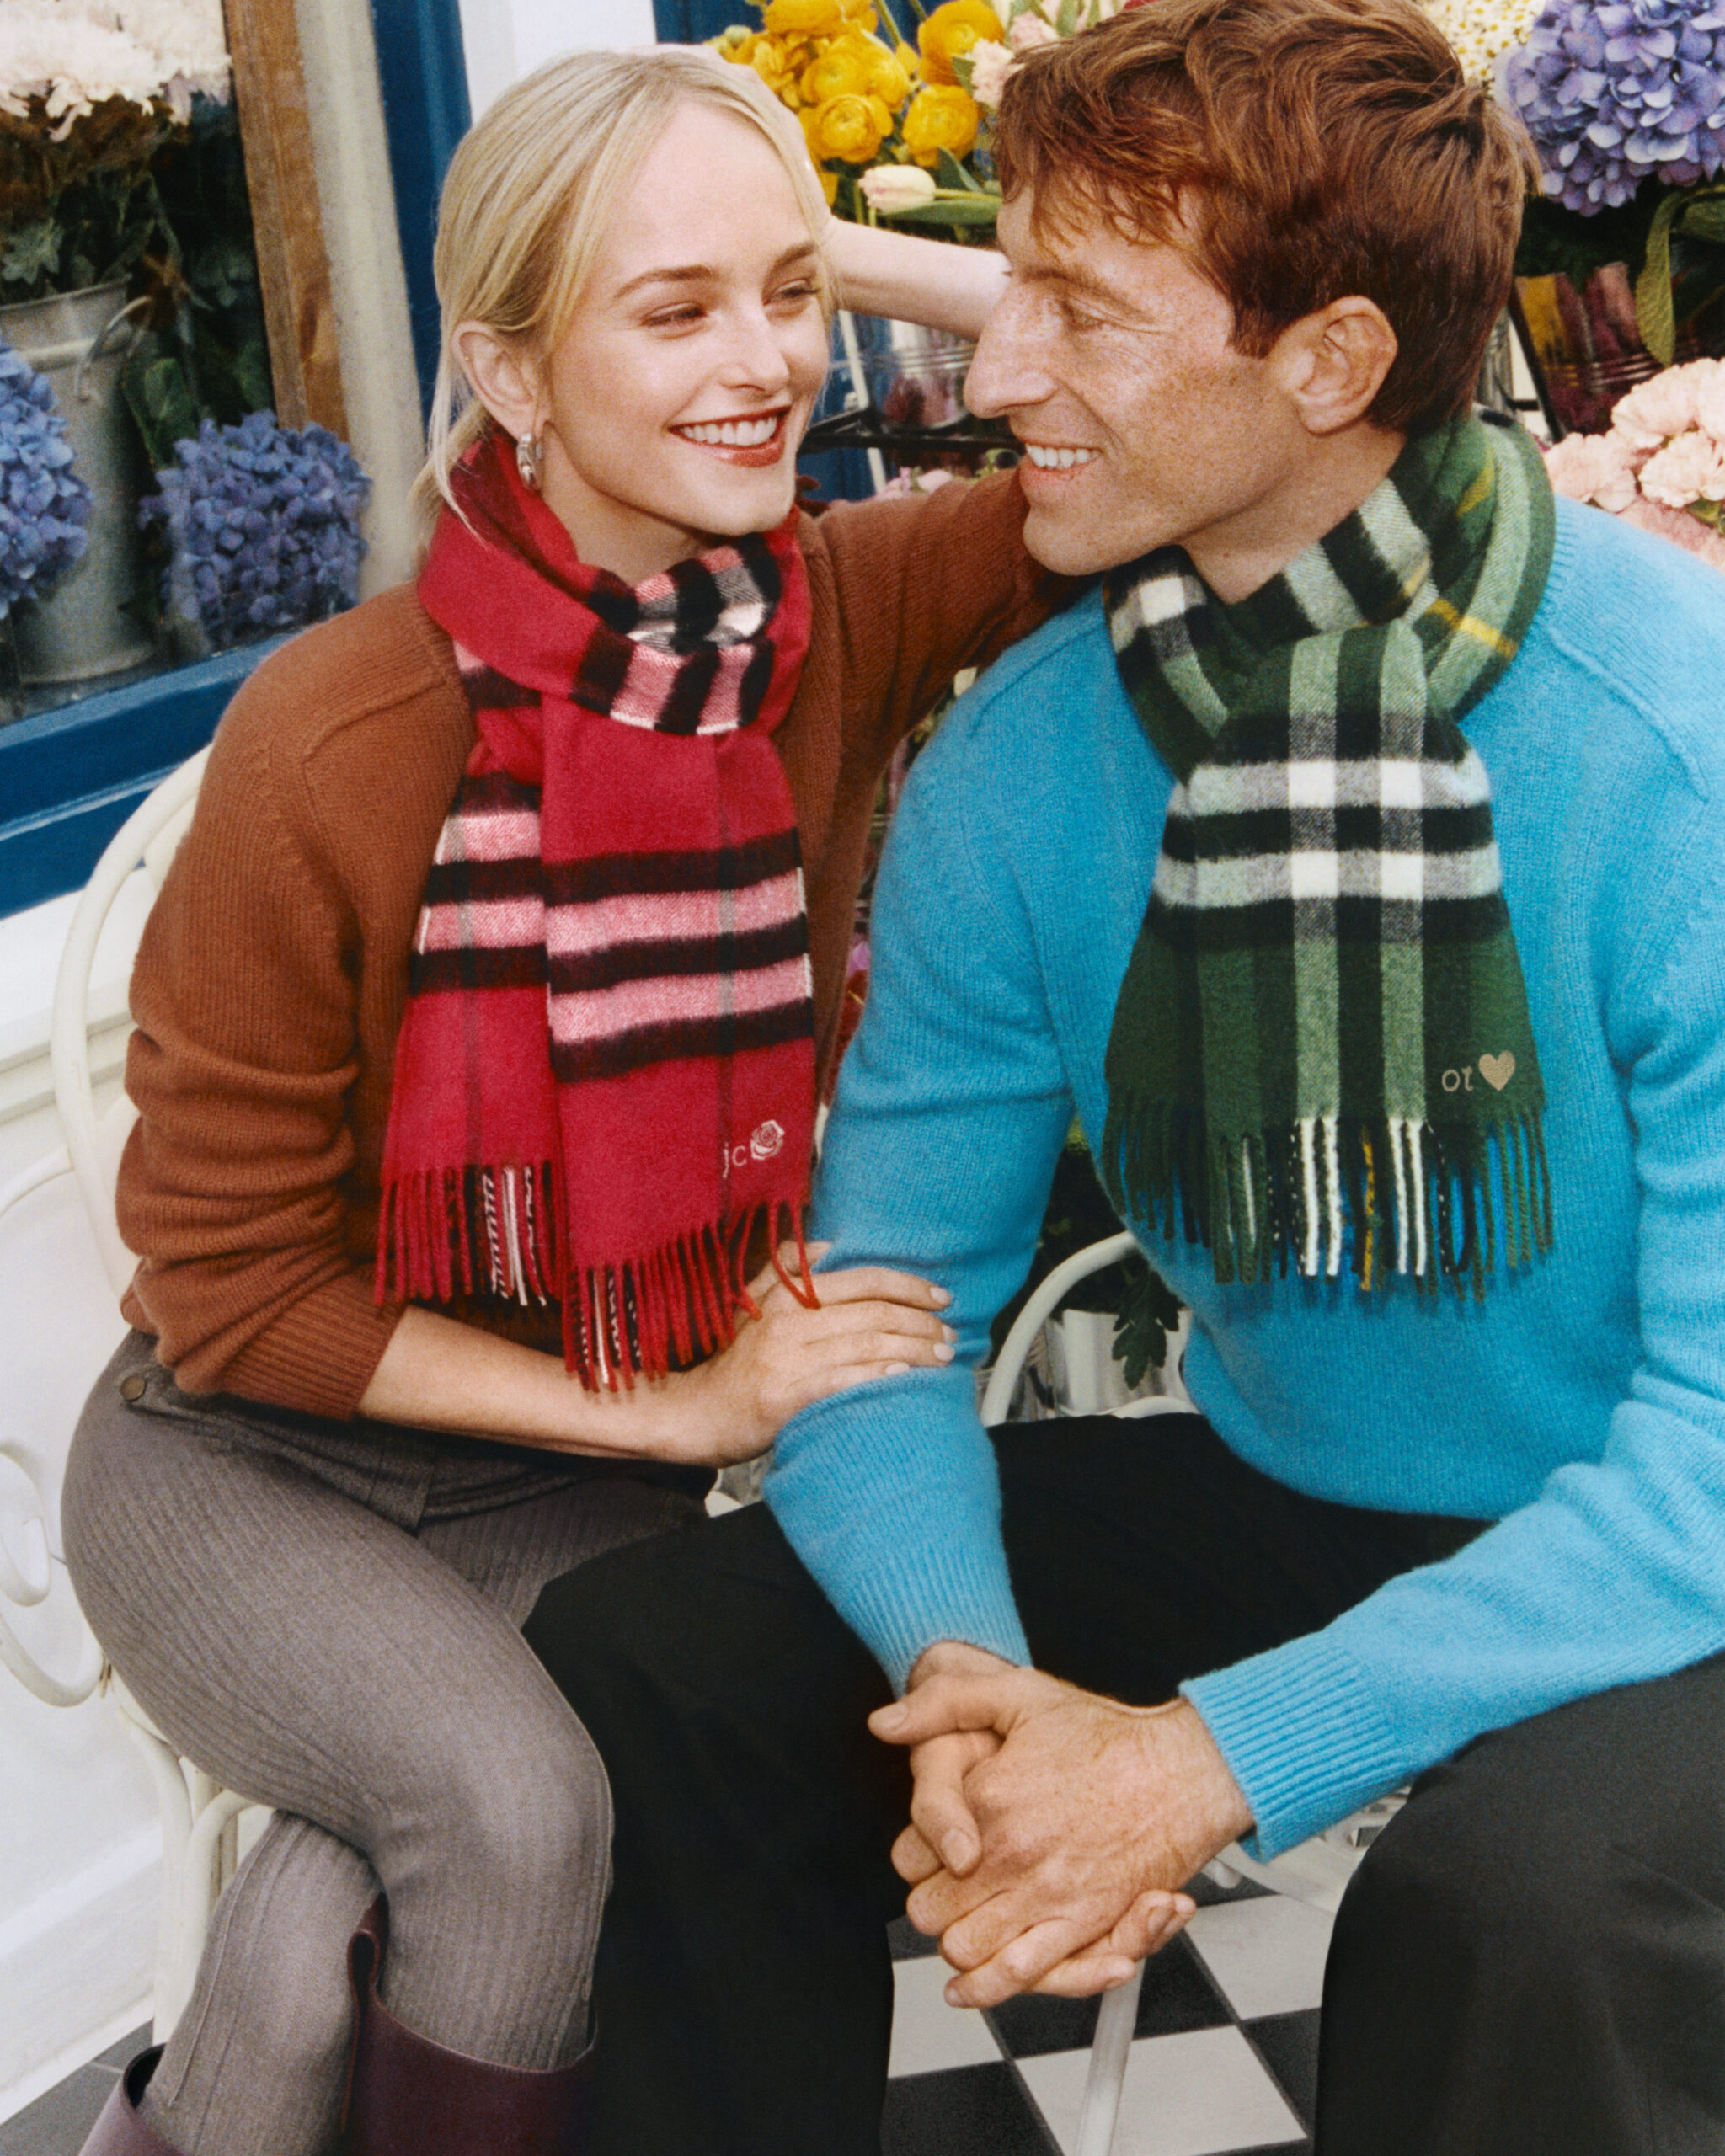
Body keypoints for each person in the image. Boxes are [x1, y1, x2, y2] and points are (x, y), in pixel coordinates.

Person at [524, 4, 1725, 2152]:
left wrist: (1200, 1757)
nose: (994, 372)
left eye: (1077, 309)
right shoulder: (1028, 759)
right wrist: (969, 1681)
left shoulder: (1673, 749)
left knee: (1520, 1899)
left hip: (1677, 1528)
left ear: (1329, 363)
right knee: (662, 1658)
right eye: (1011, 291)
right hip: (1310, 1488)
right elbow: (886, 1312)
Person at [59, 43, 1070, 2156]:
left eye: (787, 299)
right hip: (246, 1462)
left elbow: (1171, 391)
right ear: (509, 370)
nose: (764, 365)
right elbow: (229, 1293)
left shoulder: (844, 608)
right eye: (672, 307)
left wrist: (843, 239)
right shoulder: (335, 735)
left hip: (544, 1494)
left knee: (326, 1924)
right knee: (518, 1816)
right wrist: (680, 1413)